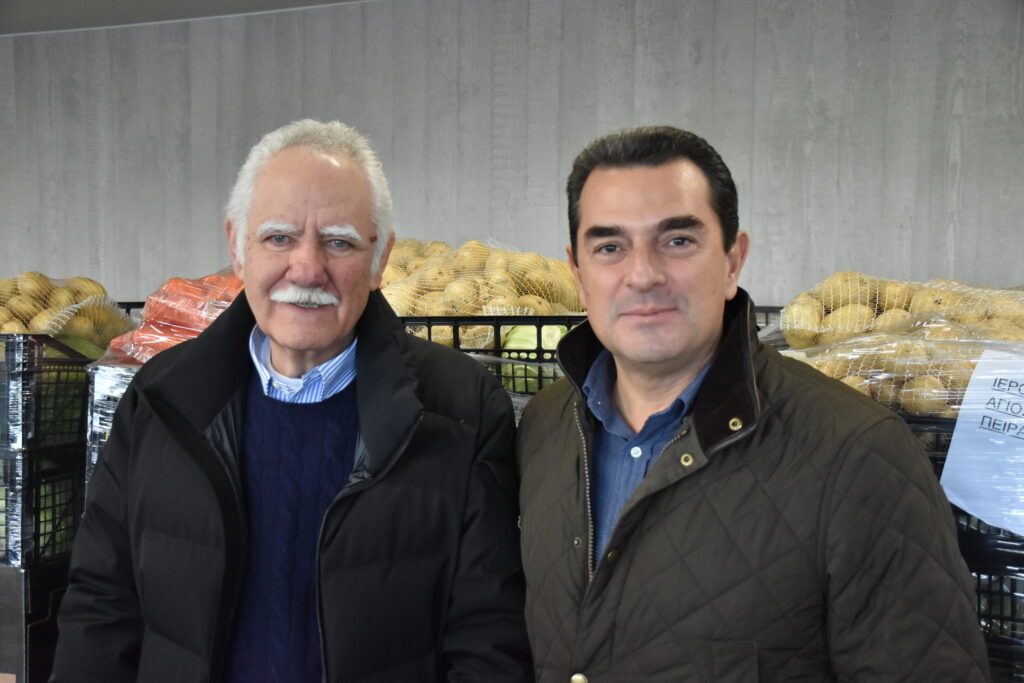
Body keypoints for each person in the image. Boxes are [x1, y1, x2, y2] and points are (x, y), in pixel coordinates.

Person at [51, 119, 533, 682]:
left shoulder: (462, 408)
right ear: (238, 247)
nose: (306, 269)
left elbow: (486, 640)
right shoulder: (161, 398)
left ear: (380, 259)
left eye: (339, 242)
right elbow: (102, 609)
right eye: (278, 237)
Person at [515, 125, 989, 681]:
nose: (642, 275)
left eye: (678, 241)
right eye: (610, 247)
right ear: (577, 274)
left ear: (732, 261)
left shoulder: (859, 454)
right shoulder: (545, 427)